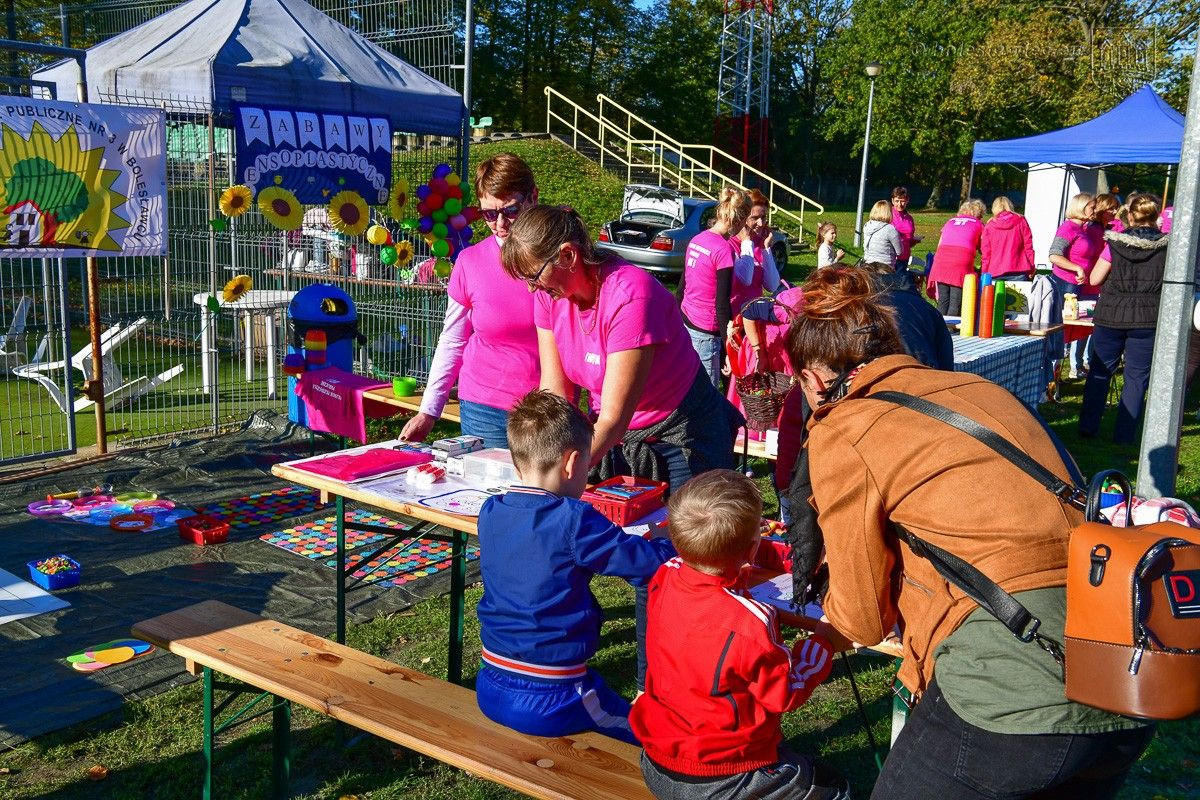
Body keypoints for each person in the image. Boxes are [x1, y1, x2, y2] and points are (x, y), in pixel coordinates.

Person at [785, 267, 1155, 800]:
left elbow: (863, 617)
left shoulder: (845, 426)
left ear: (815, 379)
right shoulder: (976, 388)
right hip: (1122, 665)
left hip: (1016, 681)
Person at [630, 470, 847, 800]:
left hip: (657, 761)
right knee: (834, 788)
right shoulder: (750, 623)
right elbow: (785, 692)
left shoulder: (665, 576)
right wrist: (823, 641)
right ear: (751, 549)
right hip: (723, 779)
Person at [474, 390, 675, 744]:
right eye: (587, 466)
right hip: (554, 694)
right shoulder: (573, 518)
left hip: (489, 683)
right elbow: (647, 567)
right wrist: (665, 540)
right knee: (656, 735)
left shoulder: (491, 511)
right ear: (571, 463)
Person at [502, 204, 741, 493]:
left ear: (568, 255)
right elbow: (556, 394)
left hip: (682, 437)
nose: (531, 288)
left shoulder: (630, 296)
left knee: (677, 533)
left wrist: (560, 480)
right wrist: (542, 469)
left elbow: (614, 419)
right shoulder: (549, 295)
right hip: (613, 435)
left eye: (534, 275)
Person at [400, 153, 541, 447]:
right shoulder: (471, 261)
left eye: (511, 210)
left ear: (533, 198)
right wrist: (428, 410)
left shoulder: (558, 257)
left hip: (544, 409)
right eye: (489, 214)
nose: (500, 223)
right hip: (483, 404)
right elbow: (452, 339)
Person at [1079, 194, 1170, 443]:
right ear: (1156, 217)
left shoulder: (1114, 245)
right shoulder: (1168, 248)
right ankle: (1125, 434)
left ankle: (1088, 426)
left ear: (1130, 216)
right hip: (1147, 318)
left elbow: (1095, 279)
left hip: (1111, 315)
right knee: (1136, 378)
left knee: (1100, 371)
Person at [679, 188, 752, 384]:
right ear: (740, 219)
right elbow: (722, 305)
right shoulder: (723, 250)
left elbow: (681, 287)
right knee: (707, 395)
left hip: (687, 323)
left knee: (687, 385)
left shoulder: (696, 240)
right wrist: (728, 349)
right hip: (706, 332)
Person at [927, 199, 985, 316]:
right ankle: (951, 331)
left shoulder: (950, 221)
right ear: (978, 214)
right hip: (960, 261)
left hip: (941, 260)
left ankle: (939, 329)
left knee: (943, 300)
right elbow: (984, 247)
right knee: (956, 301)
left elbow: (940, 244)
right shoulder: (979, 224)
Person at [730, 188, 782, 316]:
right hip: (733, 316)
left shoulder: (759, 243)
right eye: (755, 218)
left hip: (754, 317)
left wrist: (766, 249)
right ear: (742, 217)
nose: (760, 223)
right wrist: (746, 241)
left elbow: (772, 285)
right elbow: (745, 279)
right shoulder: (730, 244)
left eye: (763, 217)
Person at [980, 195, 1034, 280]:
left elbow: (986, 253)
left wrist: (984, 273)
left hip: (995, 271)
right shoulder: (1021, 220)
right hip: (1019, 269)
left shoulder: (989, 225)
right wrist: (1031, 267)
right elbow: (1028, 247)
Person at [861, 199, 902, 268]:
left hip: (868, 265)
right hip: (885, 266)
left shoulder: (867, 226)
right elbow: (899, 251)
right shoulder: (890, 229)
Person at [891, 186, 922, 269]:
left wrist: (915, 240)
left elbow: (910, 240)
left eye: (902, 201)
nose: (899, 204)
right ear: (892, 201)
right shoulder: (888, 215)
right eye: (897, 201)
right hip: (891, 257)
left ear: (907, 200)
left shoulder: (909, 218)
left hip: (904, 257)